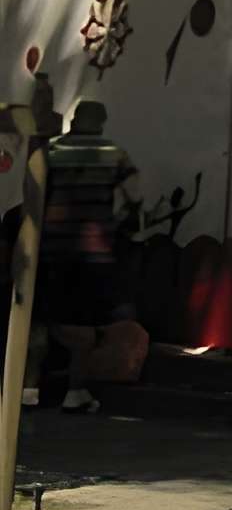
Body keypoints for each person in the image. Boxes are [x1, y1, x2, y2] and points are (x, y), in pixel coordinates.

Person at [39, 100, 139, 410]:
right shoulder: (114, 155)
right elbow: (133, 197)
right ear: (101, 121)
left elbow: (34, 193)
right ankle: (75, 392)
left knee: (42, 322)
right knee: (83, 328)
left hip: (50, 249)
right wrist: (120, 226)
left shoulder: (50, 152)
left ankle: (28, 389)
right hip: (90, 253)